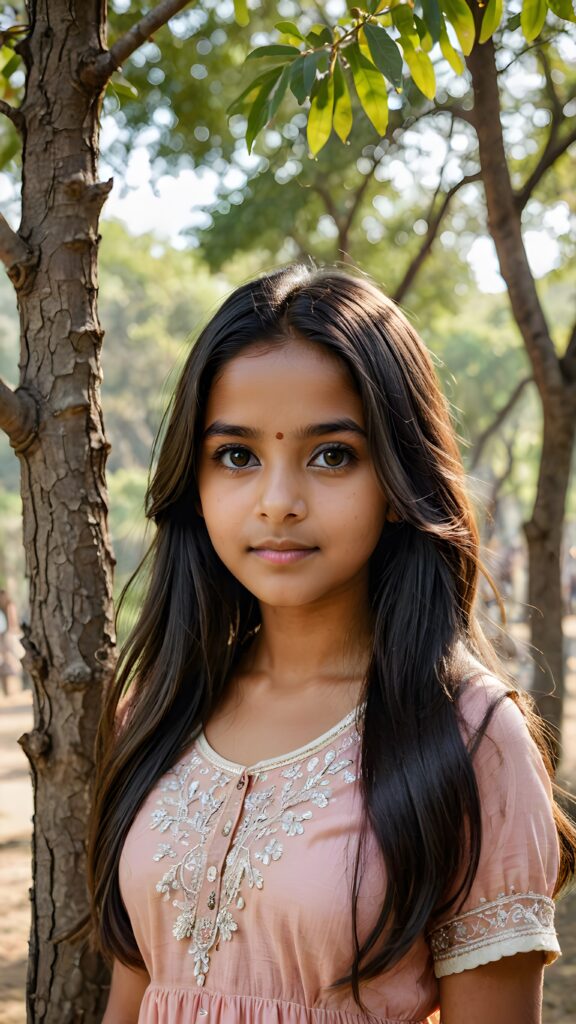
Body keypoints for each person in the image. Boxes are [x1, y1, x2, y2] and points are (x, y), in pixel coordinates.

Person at [87, 266, 576, 1024]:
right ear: (197, 480)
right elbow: (133, 996)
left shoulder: (468, 737)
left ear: (397, 478)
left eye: (332, 455)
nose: (278, 502)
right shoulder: (158, 711)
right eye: (238, 456)